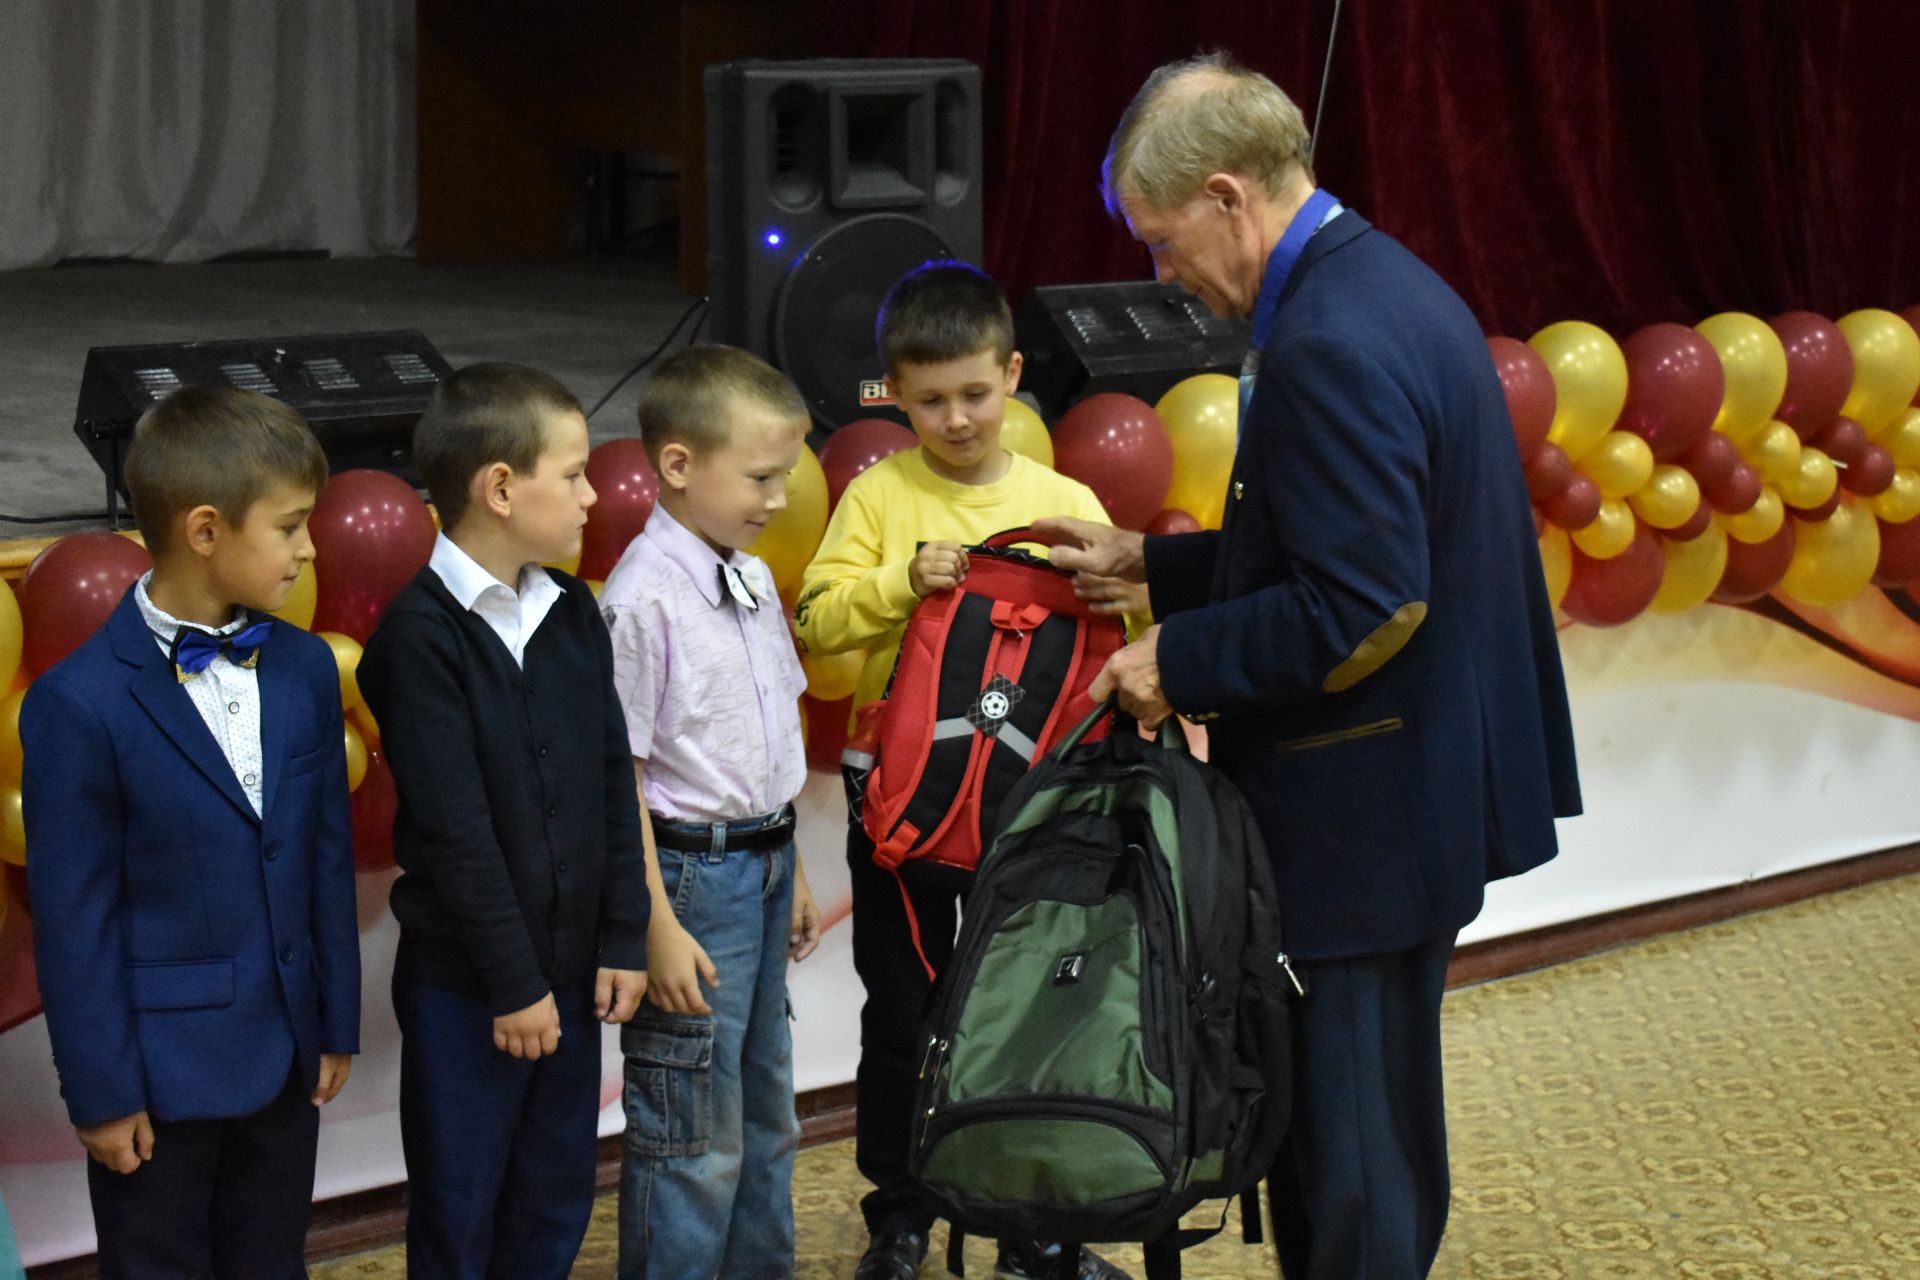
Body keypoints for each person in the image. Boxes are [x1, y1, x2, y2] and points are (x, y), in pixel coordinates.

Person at [1039, 53, 1582, 1280]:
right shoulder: (1384, 283)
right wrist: (1160, 565)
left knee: (1348, 1148)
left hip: (1360, 815)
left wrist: (1178, 655)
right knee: (1375, 1115)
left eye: (1163, 239)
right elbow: (1345, 530)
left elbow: (1366, 601)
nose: (1159, 275)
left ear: (1230, 197)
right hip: (1409, 790)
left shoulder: (1327, 336)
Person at [795, 260, 1133, 1280]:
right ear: (893, 395)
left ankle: (1037, 1230)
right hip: (896, 804)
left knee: (1035, 1010)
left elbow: (1121, 636)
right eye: (930, 398)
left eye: (975, 393)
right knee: (903, 1015)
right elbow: (814, 632)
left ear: (1015, 374)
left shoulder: (1063, 496)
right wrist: (902, 580)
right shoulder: (878, 494)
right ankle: (899, 1218)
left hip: (1032, 807)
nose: (955, 417)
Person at [22, 385, 359, 1278]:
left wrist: (334, 1019)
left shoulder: (302, 669)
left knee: (270, 1262)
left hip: (286, 1054)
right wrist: (101, 1092)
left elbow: (322, 854)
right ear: (206, 530)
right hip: (160, 1075)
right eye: (289, 527)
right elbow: (75, 920)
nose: (309, 548)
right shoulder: (78, 705)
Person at [358, 362, 651, 1278]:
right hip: (473, 988)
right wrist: (515, 986)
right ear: (498, 487)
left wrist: (623, 933)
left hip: (569, 975)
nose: (592, 494)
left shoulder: (569, 610)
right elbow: (456, 832)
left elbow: (610, 777)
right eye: (571, 475)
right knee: (461, 1204)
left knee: (554, 1192)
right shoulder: (419, 638)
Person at [599, 345, 822, 1279]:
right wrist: (653, 922)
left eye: (788, 474)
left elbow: (767, 739)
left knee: (768, 1112)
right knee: (693, 1128)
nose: (778, 497)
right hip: (692, 881)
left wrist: (797, 862)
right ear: (679, 466)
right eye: (762, 476)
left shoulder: (753, 575)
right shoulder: (642, 598)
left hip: (764, 862)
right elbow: (625, 777)